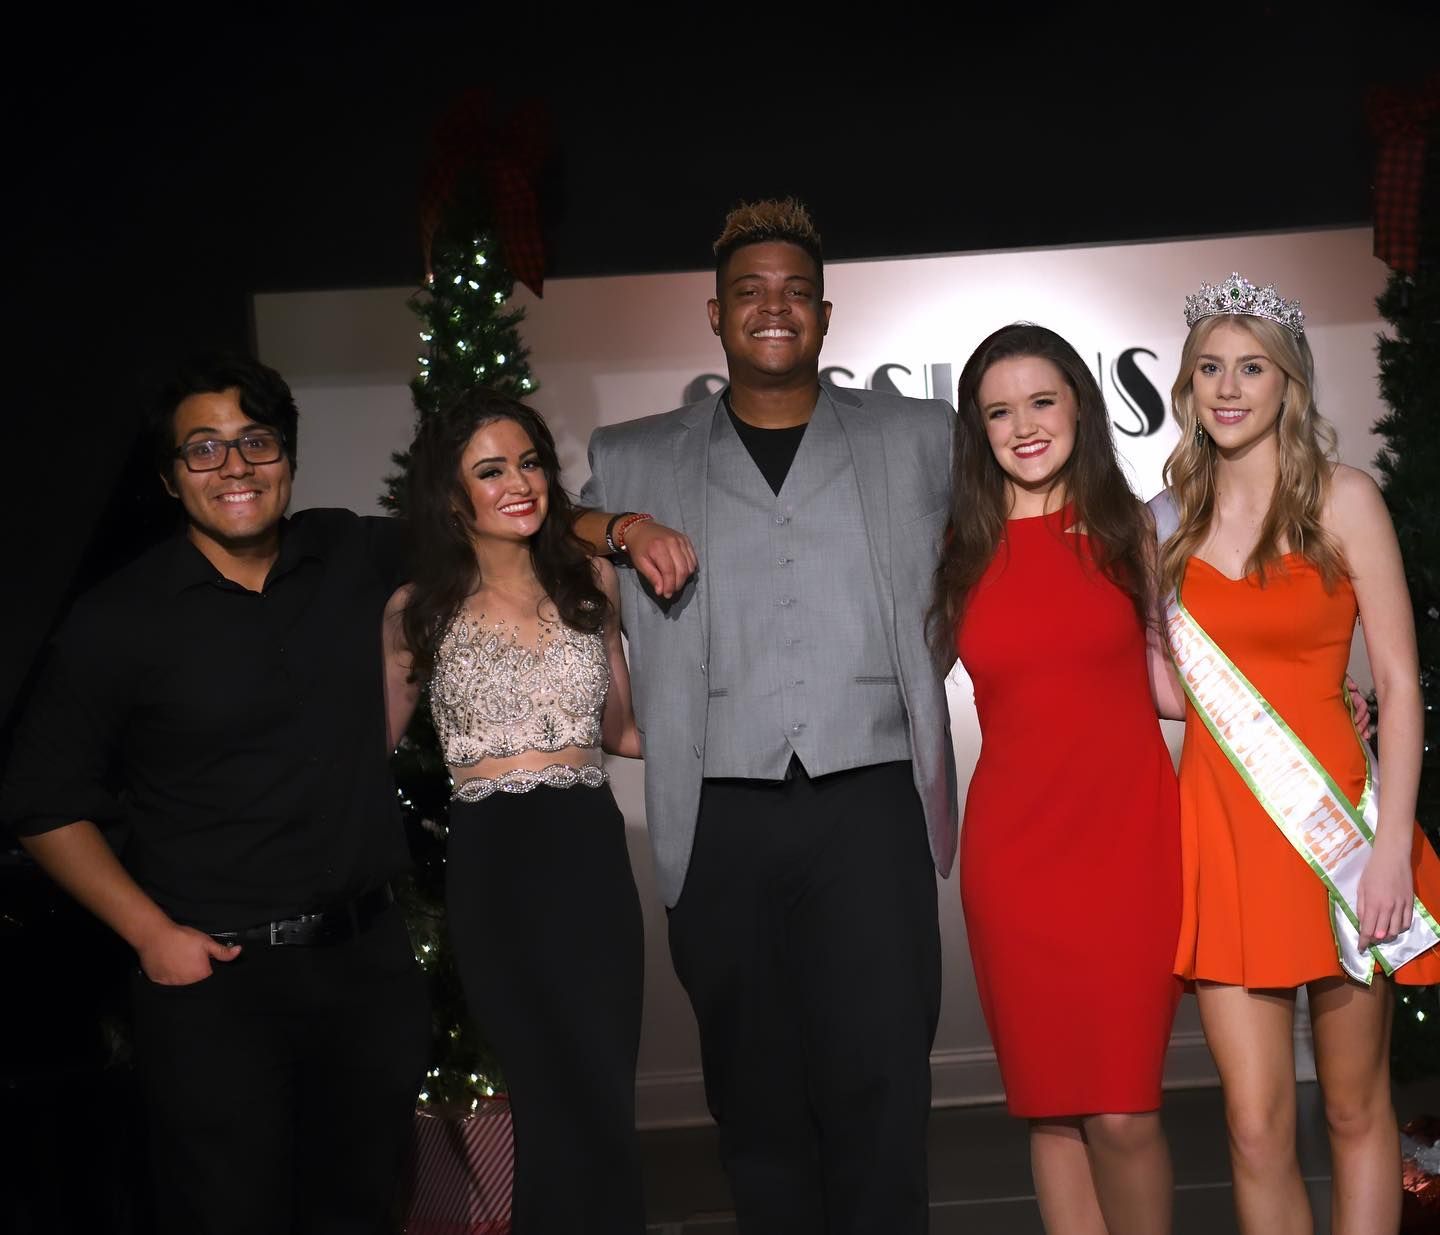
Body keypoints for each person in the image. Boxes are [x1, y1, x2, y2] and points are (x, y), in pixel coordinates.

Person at [575, 198, 956, 1234]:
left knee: (882, 1076)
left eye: (794, 291)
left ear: (825, 315)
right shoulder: (633, 455)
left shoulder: (921, 435)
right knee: (752, 1088)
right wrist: (611, 523)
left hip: (871, 797)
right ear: (714, 314)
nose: (773, 307)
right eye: (750, 291)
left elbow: (991, 565)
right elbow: (535, 527)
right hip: (719, 807)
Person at [0, 354, 429, 1234]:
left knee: (364, 1210)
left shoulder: (349, 549)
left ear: (288, 458)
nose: (234, 466)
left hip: (364, 967)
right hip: (216, 990)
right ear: (169, 476)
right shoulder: (118, 619)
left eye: (255, 441)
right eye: (203, 449)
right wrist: (152, 934)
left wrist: (616, 527)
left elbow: (490, 519)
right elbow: (41, 802)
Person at [1156, 273, 1440, 1235]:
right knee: (1251, 1126)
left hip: (1339, 842)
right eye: (1209, 369)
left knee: (1356, 1106)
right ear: (1187, 386)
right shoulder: (1169, 521)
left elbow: (1398, 686)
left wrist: (1393, 846)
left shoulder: (1346, 500)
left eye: (1252, 368)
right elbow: (1172, 688)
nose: (1228, 388)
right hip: (1224, 839)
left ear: (1288, 383)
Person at [933, 323, 1182, 1235]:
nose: (1024, 426)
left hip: (1128, 846)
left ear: (1081, 400)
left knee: (1122, 1109)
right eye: (999, 411)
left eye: (1042, 400)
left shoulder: (1134, 527)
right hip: (1016, 861)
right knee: (1052, 1107)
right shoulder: (957, 546)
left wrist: (1312, 706)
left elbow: (1172, 683)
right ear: (978, 430)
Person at [385, 389, 646, 1234]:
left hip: (589, 856)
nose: (519, 483)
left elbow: (625, 731)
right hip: (495, 869)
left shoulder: (591, 583)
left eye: (529, 461)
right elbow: (361, 755)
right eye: (490, 469)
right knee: (545, 1096)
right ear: (450, 494)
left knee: (603, 1095)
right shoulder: (415, 611)